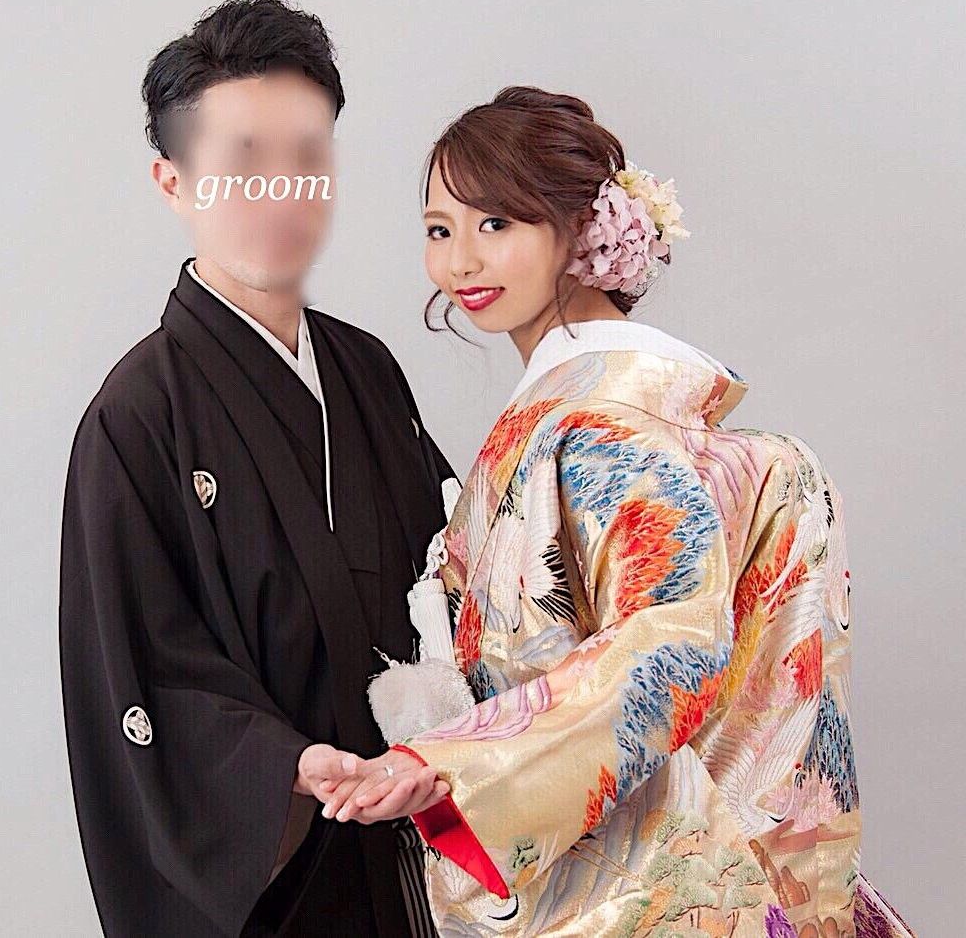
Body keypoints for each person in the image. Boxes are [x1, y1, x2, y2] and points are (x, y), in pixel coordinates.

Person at [316, 86, 915, 936]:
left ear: (580, 230)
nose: (461, 263)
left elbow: (670, 640)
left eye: (496, 224)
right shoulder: (617, 406)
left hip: (631, 878)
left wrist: (455, 767)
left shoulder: (600, 422)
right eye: (439, 230)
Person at [58, 0, 456, 938]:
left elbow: (457, 573)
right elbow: (144, 674)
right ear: (174, 182)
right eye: (244, 165)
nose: (283, 194)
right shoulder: (136, 419)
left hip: (414, 845)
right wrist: (285, 766)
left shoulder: (366, 369)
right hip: (284, 881)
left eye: (306, 159)